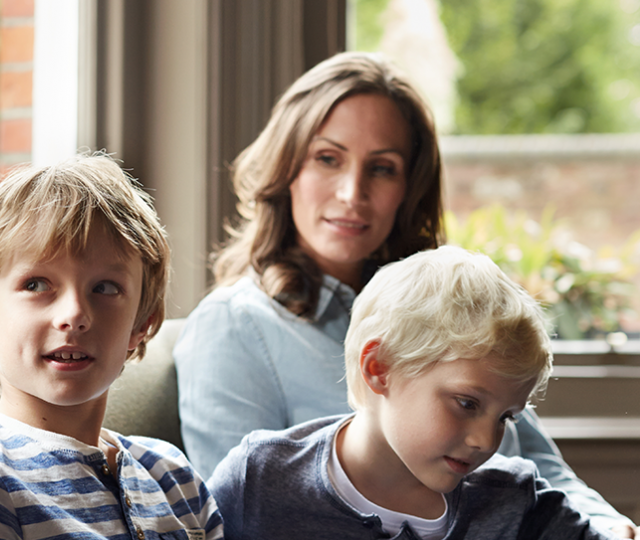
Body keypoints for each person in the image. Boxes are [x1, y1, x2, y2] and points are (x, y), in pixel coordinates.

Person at [173, 51, 638, 536]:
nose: (353, 192)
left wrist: (609, 528)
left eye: (383, 168)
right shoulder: (234, 327)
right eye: (328, 158)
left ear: (408, 189)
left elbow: (545, 470)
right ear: (287, 169)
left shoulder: (453, 316)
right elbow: (237, 520)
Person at [0, 155, 223, 540]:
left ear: (142, 325)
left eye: (105, 287)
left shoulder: (173, 476)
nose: (74, 314)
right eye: (36, 284)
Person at [208, 246, 617, 540]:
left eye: (506, 417)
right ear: (379, 368)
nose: (486, 441)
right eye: (467, 403)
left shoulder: (517, 504)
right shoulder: (257, 479)